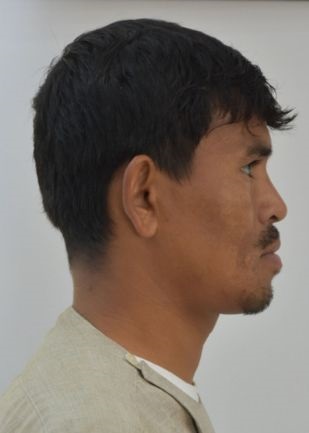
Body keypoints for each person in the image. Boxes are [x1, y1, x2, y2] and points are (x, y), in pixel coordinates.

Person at [0, 18, 292, 432]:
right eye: (249, 168)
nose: (276, 207)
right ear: (144, 197)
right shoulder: (97, 423)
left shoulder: (102, 398)